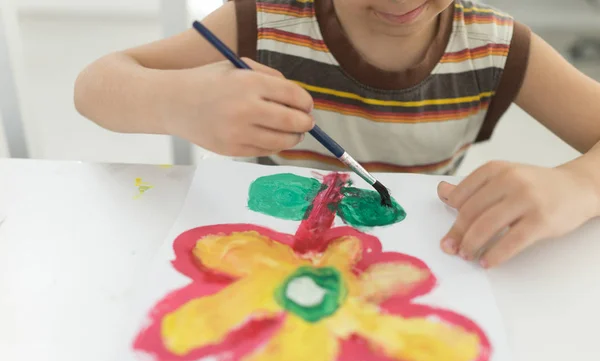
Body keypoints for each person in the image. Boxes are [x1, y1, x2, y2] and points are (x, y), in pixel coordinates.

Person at [74, 0, 600, 268]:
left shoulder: (495, 46)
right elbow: (93, 86)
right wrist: (180, 101)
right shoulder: (263, 20)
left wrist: (578, 185)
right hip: (270, 250)